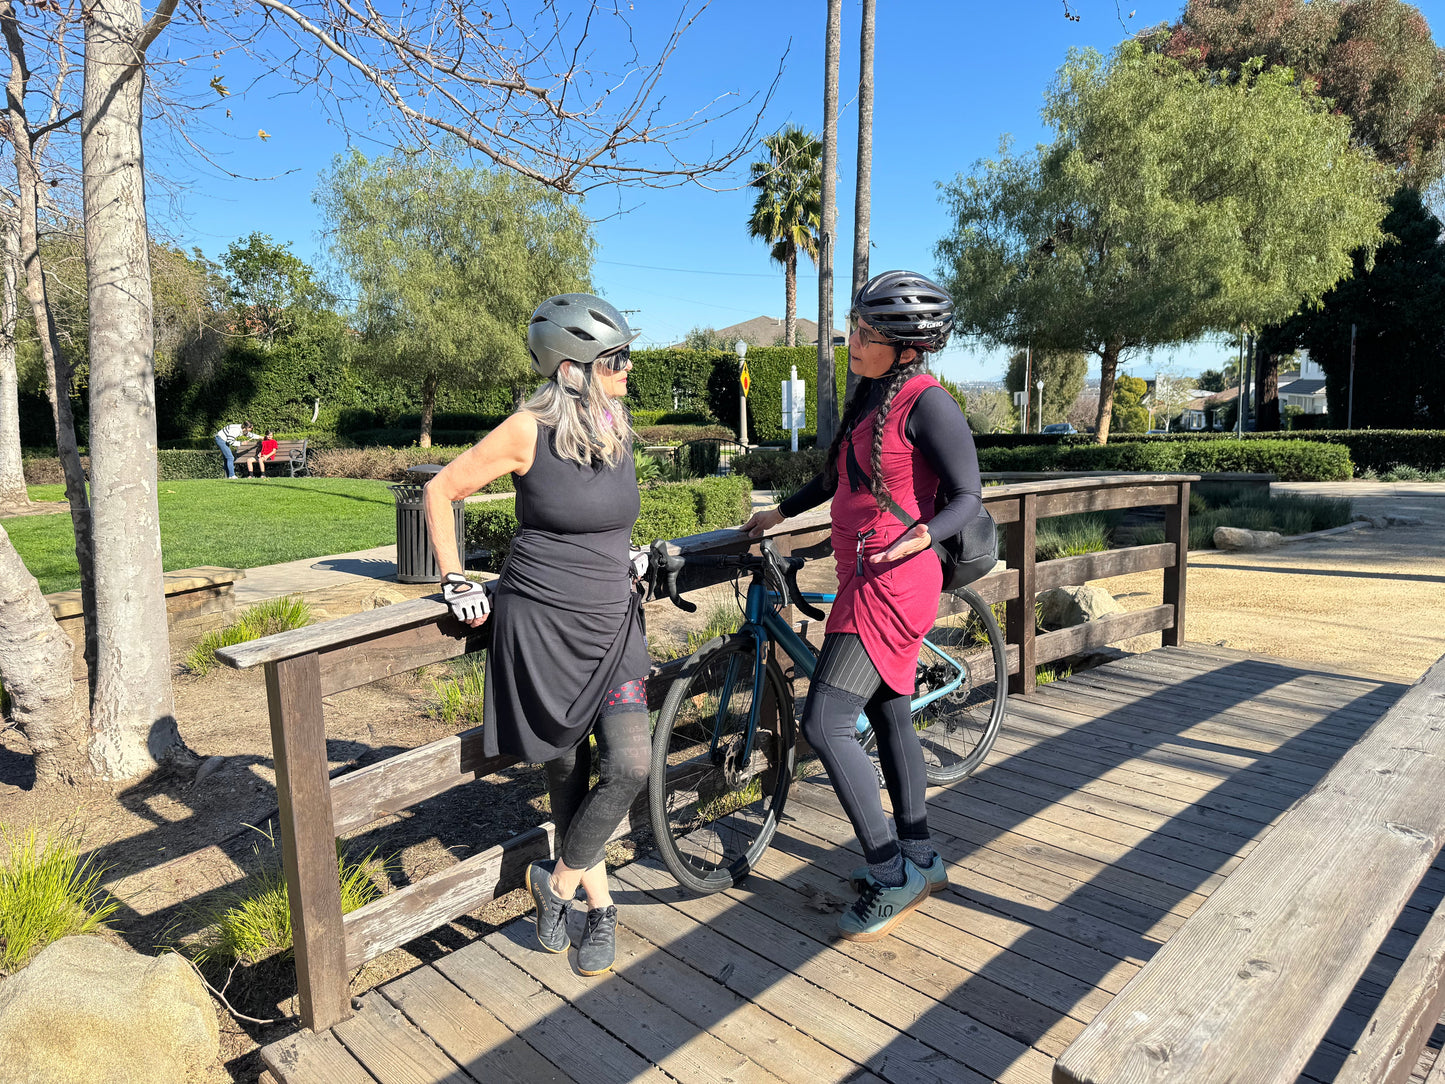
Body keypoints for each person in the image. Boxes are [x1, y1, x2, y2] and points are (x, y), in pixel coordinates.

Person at [741, 270, 983, 942]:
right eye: (857, 326)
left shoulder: (928, 402)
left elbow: (968, 495)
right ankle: (921, 858)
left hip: (894, 583)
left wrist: (922, 535)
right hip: (860, 574)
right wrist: (777, 515)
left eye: (869, 333)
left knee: (824, 720)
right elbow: (834, 479)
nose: (855, 339)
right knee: (887, 710)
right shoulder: (874, 396)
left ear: (908, 346)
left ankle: (887, 872)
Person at [423, 293, 648, 977]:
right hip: (541, 623)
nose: (628, 368)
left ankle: (554, 886)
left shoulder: (614, 421)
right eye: (615, 359)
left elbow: (608, 519)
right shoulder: (524, 429)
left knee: (631, 764)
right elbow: (440, 491)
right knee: (566, 772)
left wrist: (629, 554)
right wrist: (457, 578)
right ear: (571, 367)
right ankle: (598, 909)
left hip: (613, 619)